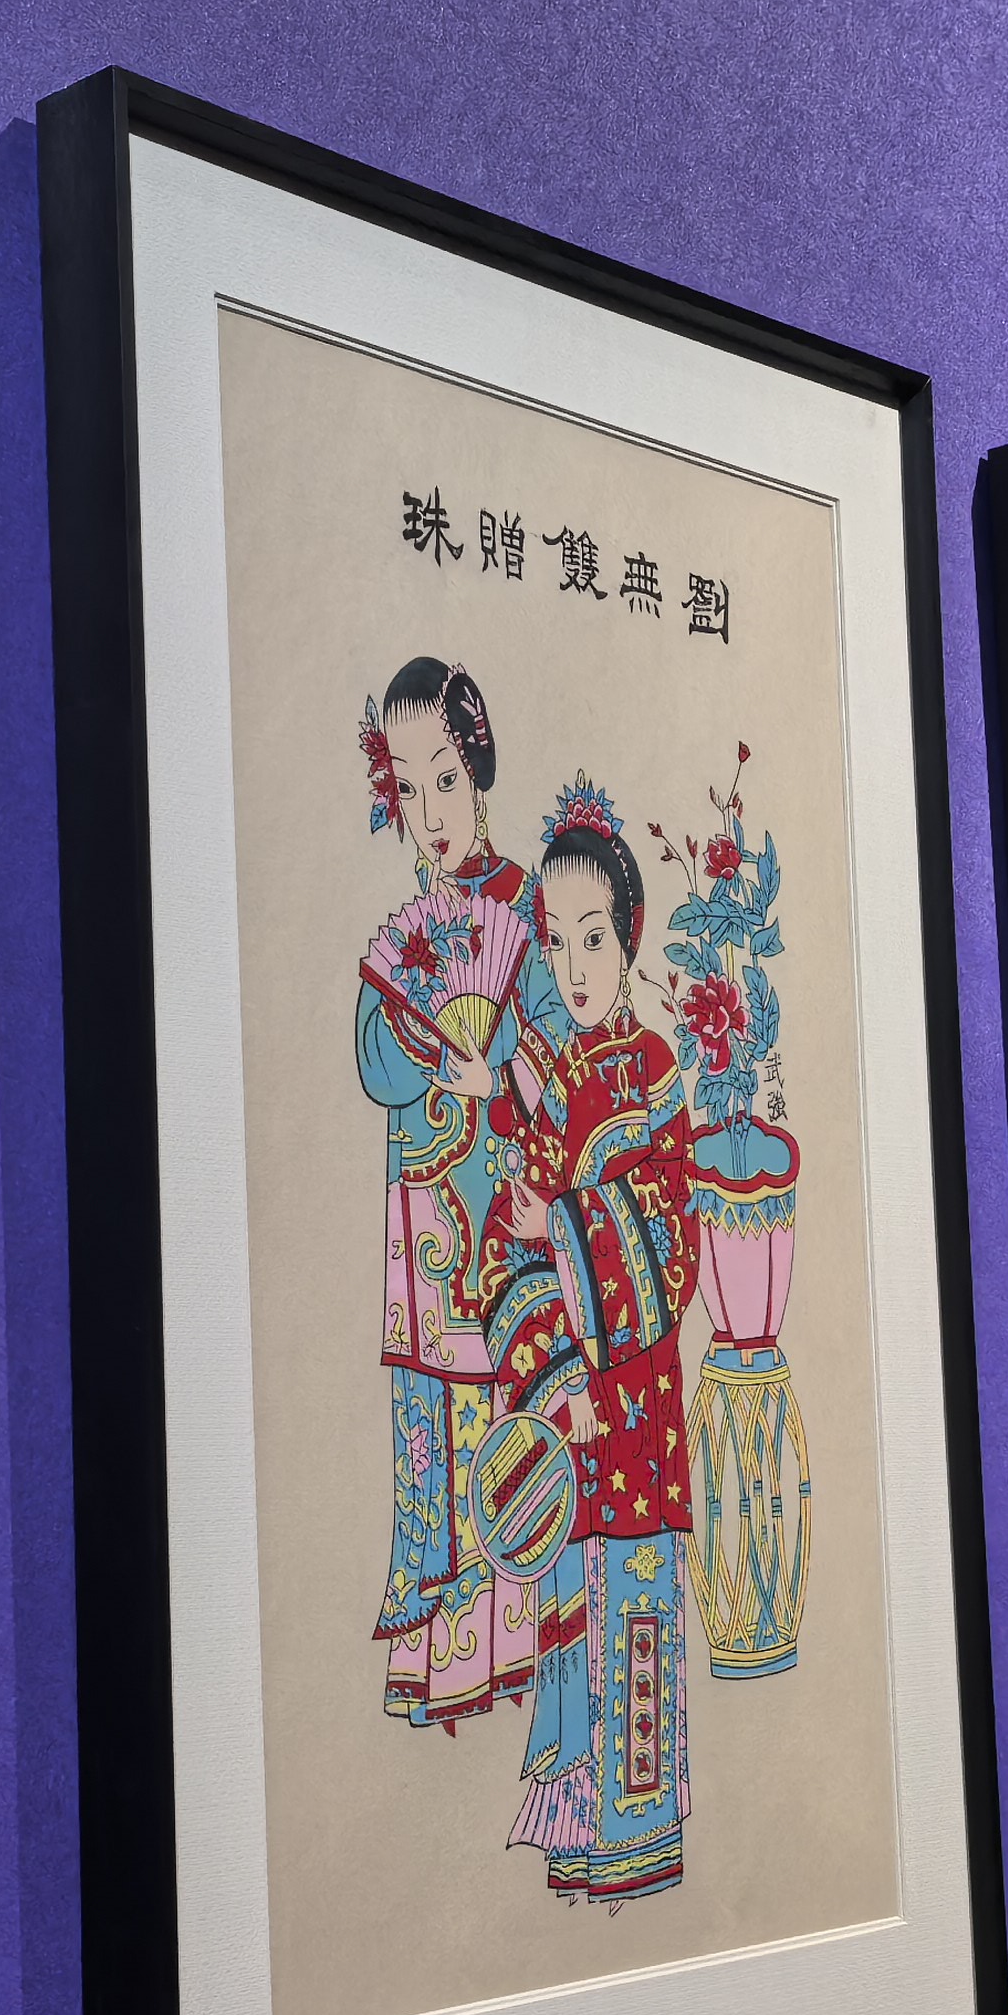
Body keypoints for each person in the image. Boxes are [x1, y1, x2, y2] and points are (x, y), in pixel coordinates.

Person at [492, 782, 699, 1901]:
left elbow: (672, 1246)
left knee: (635, 1614)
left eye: (594, 939)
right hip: (565, 1420)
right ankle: (580, 1845)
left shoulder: (653, 1074)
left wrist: (564, 1227)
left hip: (636, 1413)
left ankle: (640, 1838)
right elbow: (501, 1257)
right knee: (571, 1635)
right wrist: (546, 1377)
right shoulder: (543, 1089)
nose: (575, 968)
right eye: (556, 941)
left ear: (629, 939)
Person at [351, 659, 566, 1731]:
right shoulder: (408, 932)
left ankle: (510, 1662)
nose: (430, 813)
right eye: (407, 785)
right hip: (423, 1219)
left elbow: (560, 1056)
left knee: (505, 1425)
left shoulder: (527, 911)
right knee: (430, 1437)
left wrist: (501, 1071)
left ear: (476, 768)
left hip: (501, 1220)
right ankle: (436, 1669)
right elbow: (373, 1060)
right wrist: (425, 1045)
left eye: (445, 779)